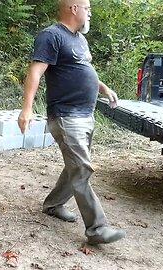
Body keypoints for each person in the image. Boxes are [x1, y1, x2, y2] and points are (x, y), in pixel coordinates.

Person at [17, 0, 125, 245]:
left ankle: (54, 205)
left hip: (85, 114)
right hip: (66, 115)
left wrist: (104, 88)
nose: (89, 13)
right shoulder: (51, 36)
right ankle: (97, 229)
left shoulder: (80, 39)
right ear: (73, 8)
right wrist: (26, 109)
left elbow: (83, 70)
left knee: (74, 166)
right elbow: (35, 71)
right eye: (87, 8)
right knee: (81, 168)